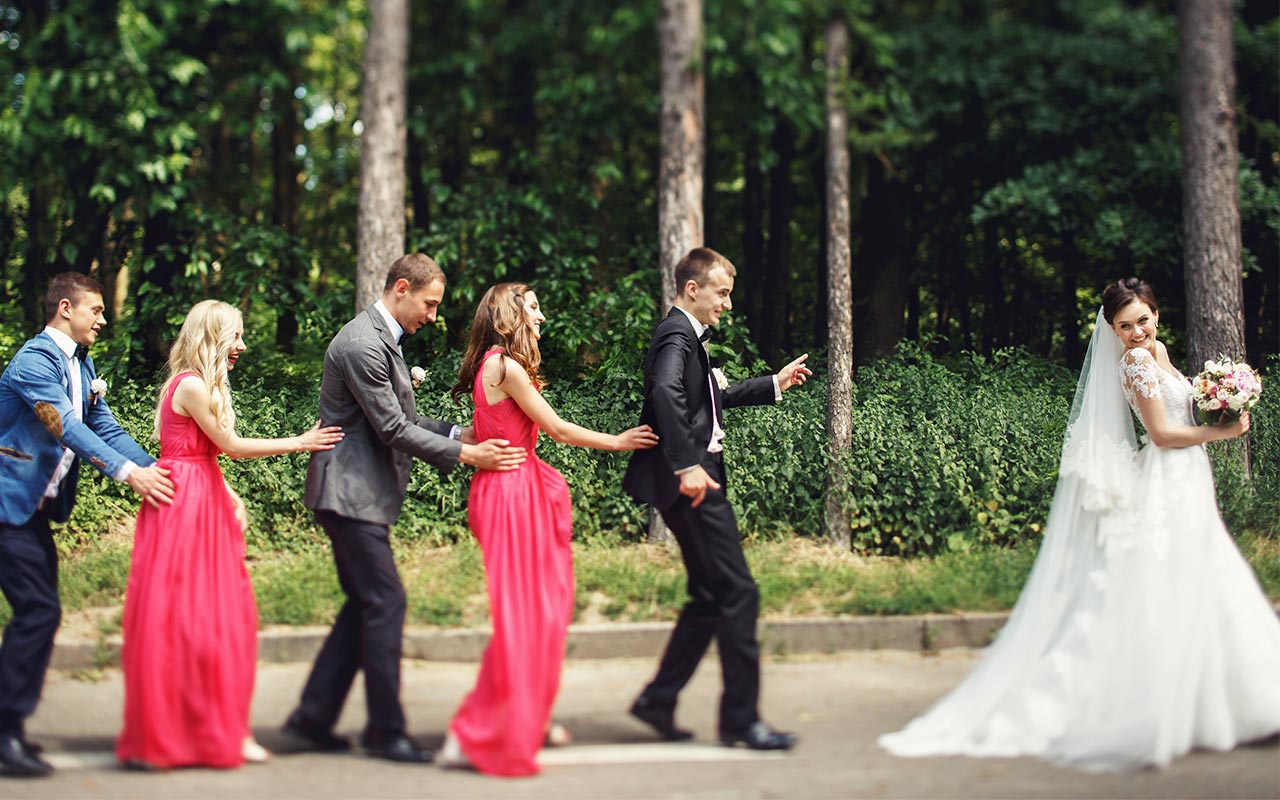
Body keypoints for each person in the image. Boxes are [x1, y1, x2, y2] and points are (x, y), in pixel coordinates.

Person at [879, 278, 1280, 771]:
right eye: (1125, 325)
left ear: (1156, 315)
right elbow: (1160, 434)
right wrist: (1221, 432)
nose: (1136, 332)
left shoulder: (1159, 350)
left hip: (1188, 479)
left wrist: (1224, 395)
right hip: (1166, 477)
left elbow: (1181, 401)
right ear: (1111, 329)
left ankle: (1226, 704)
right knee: (1169, 583)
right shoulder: (1133, 362)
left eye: (1143, 320)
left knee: (1202, 578)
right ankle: (1156, 706)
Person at [281, 253, 526, 764]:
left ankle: (313, 716)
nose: (433, 315)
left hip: (357, 493)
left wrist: (462, 431)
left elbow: (405, 417)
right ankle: (384, 731)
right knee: (386, 601)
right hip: (347, 494)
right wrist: (467, 453)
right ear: (401, 288)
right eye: (430, 303)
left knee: (363, 604)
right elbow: (391, 429)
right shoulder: (362, 344)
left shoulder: (383, 342)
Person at [439, 283, 658, 777]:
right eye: (532, 307)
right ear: (506, 317)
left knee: (542, 612)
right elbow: (557, 429)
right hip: (510, 494)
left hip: (519, 489)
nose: (541, 315)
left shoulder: (495, 366)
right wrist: (620, 442)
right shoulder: (505, 366)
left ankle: (519, 716)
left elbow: (494, 428)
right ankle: (474, 730)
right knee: (524, 617)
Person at [115, 300, 343, 770]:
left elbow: (203, 457)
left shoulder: (201, 384)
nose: (241, 345)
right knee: (187, 622)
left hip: (204, 497)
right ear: (211, 338)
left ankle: (222, 727)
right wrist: (300, 441)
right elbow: (232, 448)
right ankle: (176, 733)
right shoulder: (192, 385)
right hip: (183, 510)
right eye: (234, 336)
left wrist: (228, 494)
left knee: (224, 620)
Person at [621, 247, 812, 751]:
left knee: (710, 596)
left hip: (689, 477)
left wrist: (773, 383)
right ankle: (740, 721)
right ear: (692, 290)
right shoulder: (677, 334)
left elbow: (705, 398)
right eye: (722, 293)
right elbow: (665, 391)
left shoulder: (687, 338)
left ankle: (658, 700)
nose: (727, 304)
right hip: (695, 480)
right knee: (739, 593)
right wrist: (687, 464)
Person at [0, 273, 175, 778]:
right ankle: (5, 730)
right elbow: (65, 425)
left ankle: (10, 726)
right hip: (6, 505)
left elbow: (103, 426)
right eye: (95, 310)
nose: (102, 319)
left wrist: (160, 469)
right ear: (64, 308)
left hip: (32, 511)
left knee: (40, 612)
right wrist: (127, 475)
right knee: (37, 611)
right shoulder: (35, 361)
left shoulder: (82, 364)